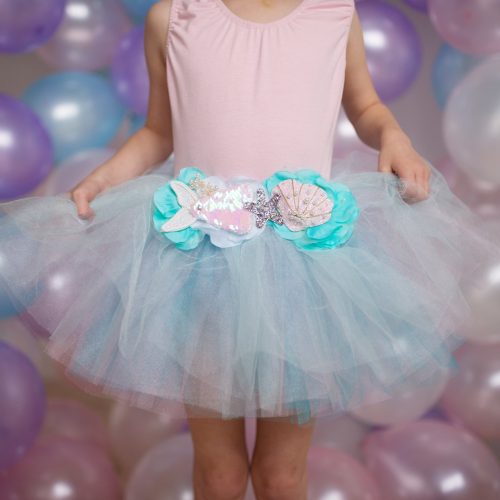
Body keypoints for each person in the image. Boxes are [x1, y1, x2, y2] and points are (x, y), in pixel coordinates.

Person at [0, 0, 497, 498]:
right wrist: (102, 180)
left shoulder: (333, 15)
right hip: (203, 265)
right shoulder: (174, 18)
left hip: (301, 265)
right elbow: (158, 131)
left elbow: (366, 107)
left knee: (281, 475)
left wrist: (394, 136)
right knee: (220, 474)